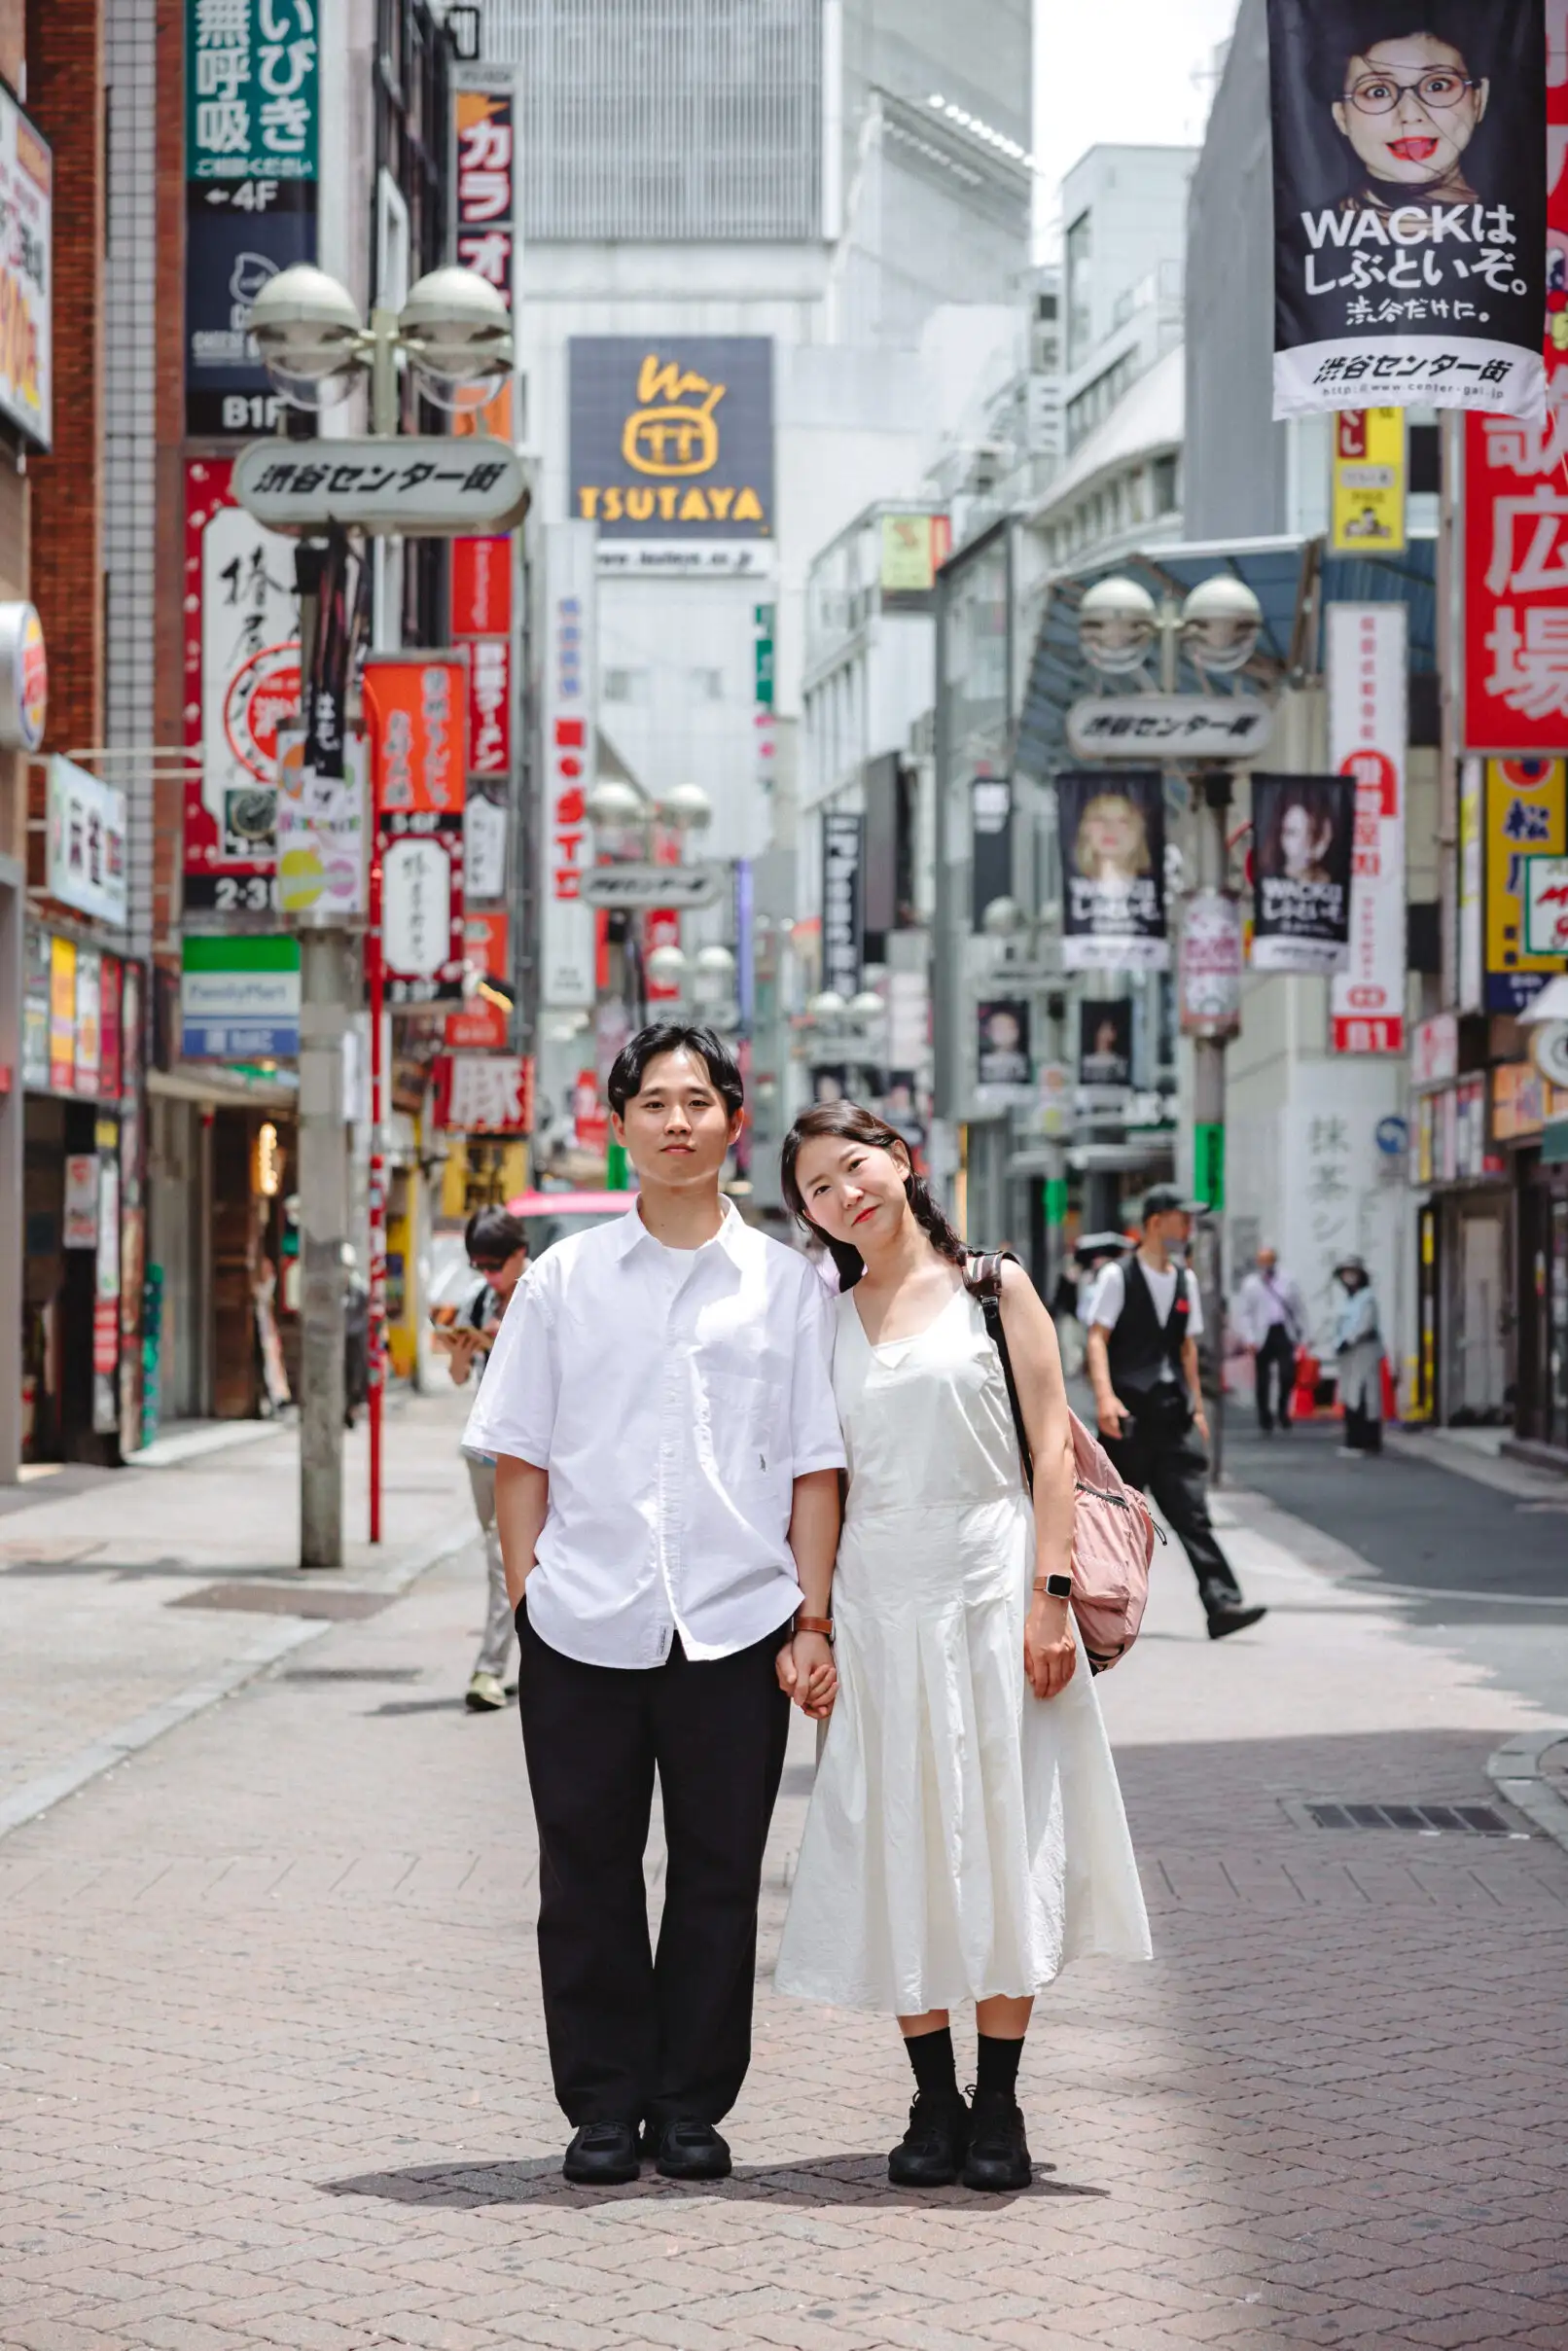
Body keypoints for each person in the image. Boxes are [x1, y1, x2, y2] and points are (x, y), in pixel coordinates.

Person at [463, 1023, 844, 2188]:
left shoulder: (788, 1284)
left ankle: (689, 2104)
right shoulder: (565, 1279)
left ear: (736, 1118)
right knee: (583, 1868)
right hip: (582, 1620)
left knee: (721, 1874)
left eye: (699, 1099)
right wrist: (529, 1596)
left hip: (736, 1622)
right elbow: (516, 1452)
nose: (676, 1119)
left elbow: (814, 1466)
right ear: (618, 1121)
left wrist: (813, 1616)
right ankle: (600, 2103)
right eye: (653, 1100)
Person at [772, 1103, 1150, 2193]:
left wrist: (1049, 1596)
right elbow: (822, 1486)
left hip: (995, 1582)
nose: (847, 1196)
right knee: (902, 1837)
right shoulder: (827, 1320)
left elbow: (1047, 1447)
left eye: (855, 1167)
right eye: (819, 1190)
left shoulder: (995, 1284)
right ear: (810, 1215)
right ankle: (929, 2097)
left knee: (1002, 1833)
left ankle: (998, 2100)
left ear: (899, 1157)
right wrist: (813, 1623)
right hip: (880, 1598)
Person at [1085, 1185, 1266, 1641]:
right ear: (1154, 1222)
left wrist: (1198, 1407)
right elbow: (1097, 1338)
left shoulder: (1184, 1280)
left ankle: (1222, 1602)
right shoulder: (1117, 1276)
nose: (1188, 1227)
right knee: (1117, 1516)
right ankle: (1098, 1605)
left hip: (1172, 1415)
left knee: (1191, 1511)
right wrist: (1105, 1398)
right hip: (1128, 1414)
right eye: (1181, 1218)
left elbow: (1186, 1347)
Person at [443, 1207, 530, 1711]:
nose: (489, 1276)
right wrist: (461, 1347)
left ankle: (490, 1667)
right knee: (501, 1558)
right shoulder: (478, 1302)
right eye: (480, 1266)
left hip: (534, 1453)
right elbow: (460, 1378)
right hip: (485, 1452)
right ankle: (510, 1664)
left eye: (496, 1265)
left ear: (520, 1254)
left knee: (512, 1560)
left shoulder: (548, 1290)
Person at [1326, 16, 1490, 216]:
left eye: (1436, 86)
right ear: (1341, 116)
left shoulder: (1525, 228)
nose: (1411, 115)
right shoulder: (1299, 241)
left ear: (1478, 100)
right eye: (1378, 92)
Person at [1234, 1244, 1306, 1436]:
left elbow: (1298, 1308)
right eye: (1262, 1260)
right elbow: (1245, 1313)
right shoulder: (1251, 1283)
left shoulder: (1288, 1281)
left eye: (1269, 1260)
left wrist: (1305, 1334)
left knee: (1287, 1374)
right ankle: (1264, 1417)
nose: (1266, 1264)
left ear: (1275, 1260)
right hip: (1261, 1334)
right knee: (1263, 1379)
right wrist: (1248, 1338)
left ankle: (1283, 1411)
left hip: (1283, 1330)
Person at [1333, 1254, 1385, 1456]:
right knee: (1350, 1395)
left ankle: (1365, 1442)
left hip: (1364, 1351)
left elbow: (1366, 1324)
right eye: (1346, 1274)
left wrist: (1350, 1340)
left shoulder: (1367, 1298)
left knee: (1364, 1394)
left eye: (1352, 1273)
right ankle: (1353, 1440)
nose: (1349, 1277)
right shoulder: (1348, 1300)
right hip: (1349, 1355)